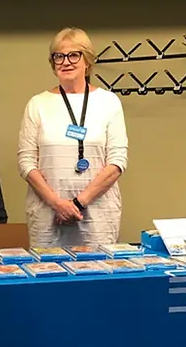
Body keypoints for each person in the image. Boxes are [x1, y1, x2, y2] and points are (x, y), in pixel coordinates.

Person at [17, 27, 129, 248]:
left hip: (97, 217)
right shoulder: (37, 104)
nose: (65, 62)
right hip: (48, 216)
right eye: (59, 56)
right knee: (49, 277)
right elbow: (26, 163)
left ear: (87, 60)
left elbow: (117, 162)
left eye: (74, 55)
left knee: (98, 277)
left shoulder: (109, 102)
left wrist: (78, 203)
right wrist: (58, 204)